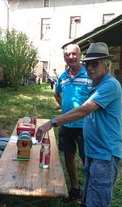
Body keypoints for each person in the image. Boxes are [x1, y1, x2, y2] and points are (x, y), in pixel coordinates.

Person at [36, 42, 122, 207]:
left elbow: (84, 110)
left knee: (97, 201)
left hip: (104, 154)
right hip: (95, 151)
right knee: (90, 196)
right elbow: (60, 95)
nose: (90, 67)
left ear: (107, 64)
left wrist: (52, 122)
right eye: (87, 63)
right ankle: (78, 193)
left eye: (94, 63)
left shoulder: (110, 85)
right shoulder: (97, 84)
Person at [54, 44, 92, 202]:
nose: (70, 57)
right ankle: (75, 189)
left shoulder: (89, 75)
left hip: (85, 126)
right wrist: (65, 106)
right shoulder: (62, 77)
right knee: (69, 156)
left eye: (74, 54)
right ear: (64, 57)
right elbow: (56, 94)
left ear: (80, 55)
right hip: (66, 126)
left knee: (88, 161)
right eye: (67, 55)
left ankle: (90, 193)